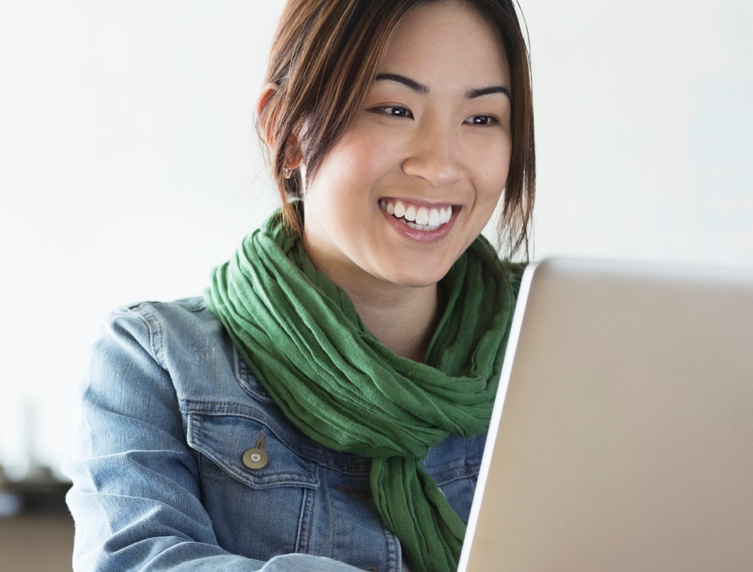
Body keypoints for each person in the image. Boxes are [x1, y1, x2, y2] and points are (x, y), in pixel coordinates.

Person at [63, 0, 535, 570]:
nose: (439, 165)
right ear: (284, 133)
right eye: (392, 108)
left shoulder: (556, 343)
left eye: (481, 119)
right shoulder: (154, 361)